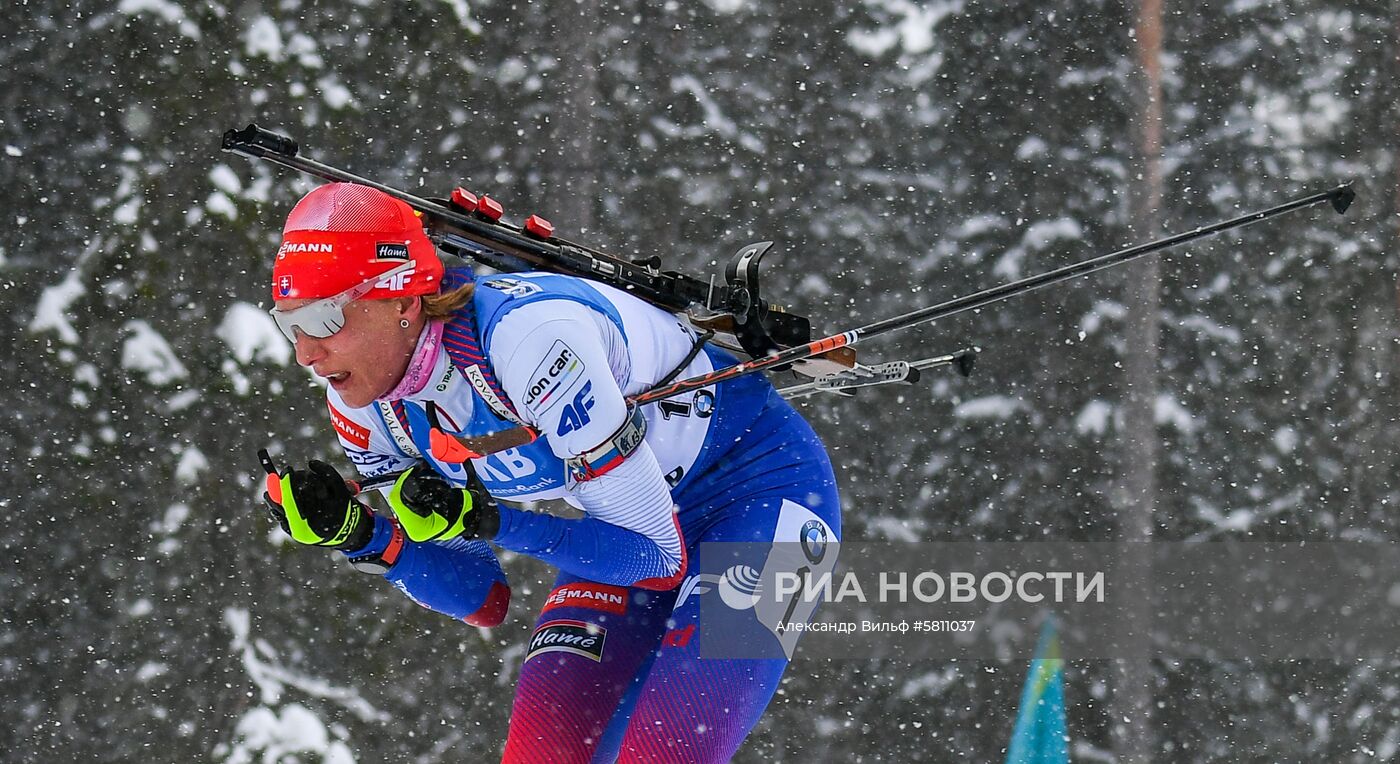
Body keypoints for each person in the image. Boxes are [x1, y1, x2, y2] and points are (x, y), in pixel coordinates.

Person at [258, 181, 841, 763]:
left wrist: (489, 519)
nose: (307, 353)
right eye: (291, 323)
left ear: (404, 302)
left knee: (665, 753)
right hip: (629, 526)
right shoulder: (366, 402)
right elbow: (482, 596)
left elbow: (657, 562)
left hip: (768, 497)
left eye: (328, 317)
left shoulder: (530, 341)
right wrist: (364, 536)